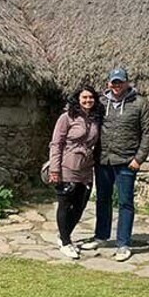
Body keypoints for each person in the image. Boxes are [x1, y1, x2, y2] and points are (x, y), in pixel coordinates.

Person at [80, 68, 149, 261]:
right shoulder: (101, 103)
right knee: (102, 200)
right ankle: (101, 236)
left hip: (126, 162)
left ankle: (123, 243)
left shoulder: (141, 104)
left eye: (120, 82)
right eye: (113, 82)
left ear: (127, 82)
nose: (116, 86)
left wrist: (138, 159)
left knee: (125, 203)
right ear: (108, 84)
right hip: (103, 160)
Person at [48, 85, 103, 259]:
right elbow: (56, 144)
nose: (88, 100)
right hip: (68, 166)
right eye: (84, 98)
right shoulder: (67, 118)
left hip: (86, 168)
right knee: (65, 204)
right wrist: (55, 169)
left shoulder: (95, 119)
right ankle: (65, 242)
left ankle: (63, 235)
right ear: (77, 99)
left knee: (80, 205)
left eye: (91, 98)